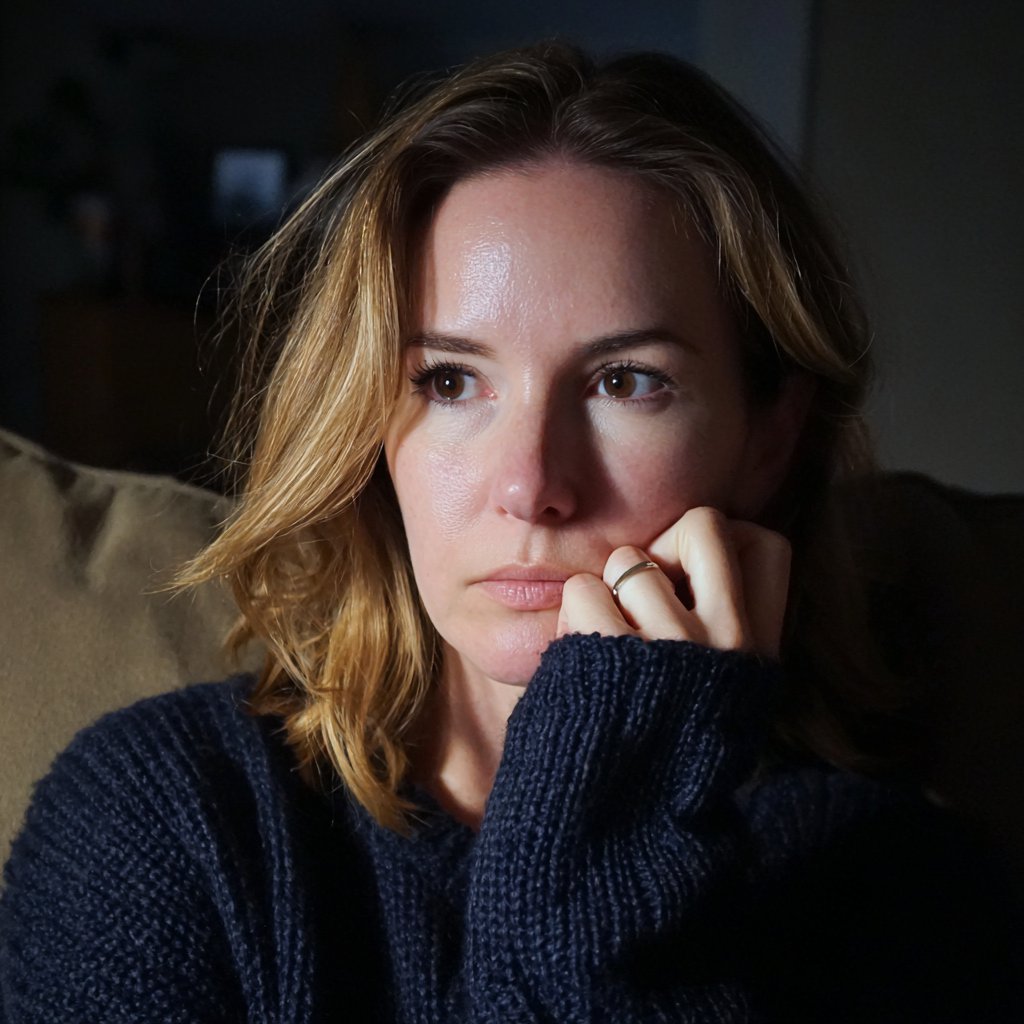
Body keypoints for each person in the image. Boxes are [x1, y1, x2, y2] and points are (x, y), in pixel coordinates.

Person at [0, 42, 1019, 1023]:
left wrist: (602, 849)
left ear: (769, 437)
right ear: (368, 431)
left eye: (627, 381)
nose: (531, 485)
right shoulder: (161, 817)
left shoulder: (899, 891)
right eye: (448, 382)